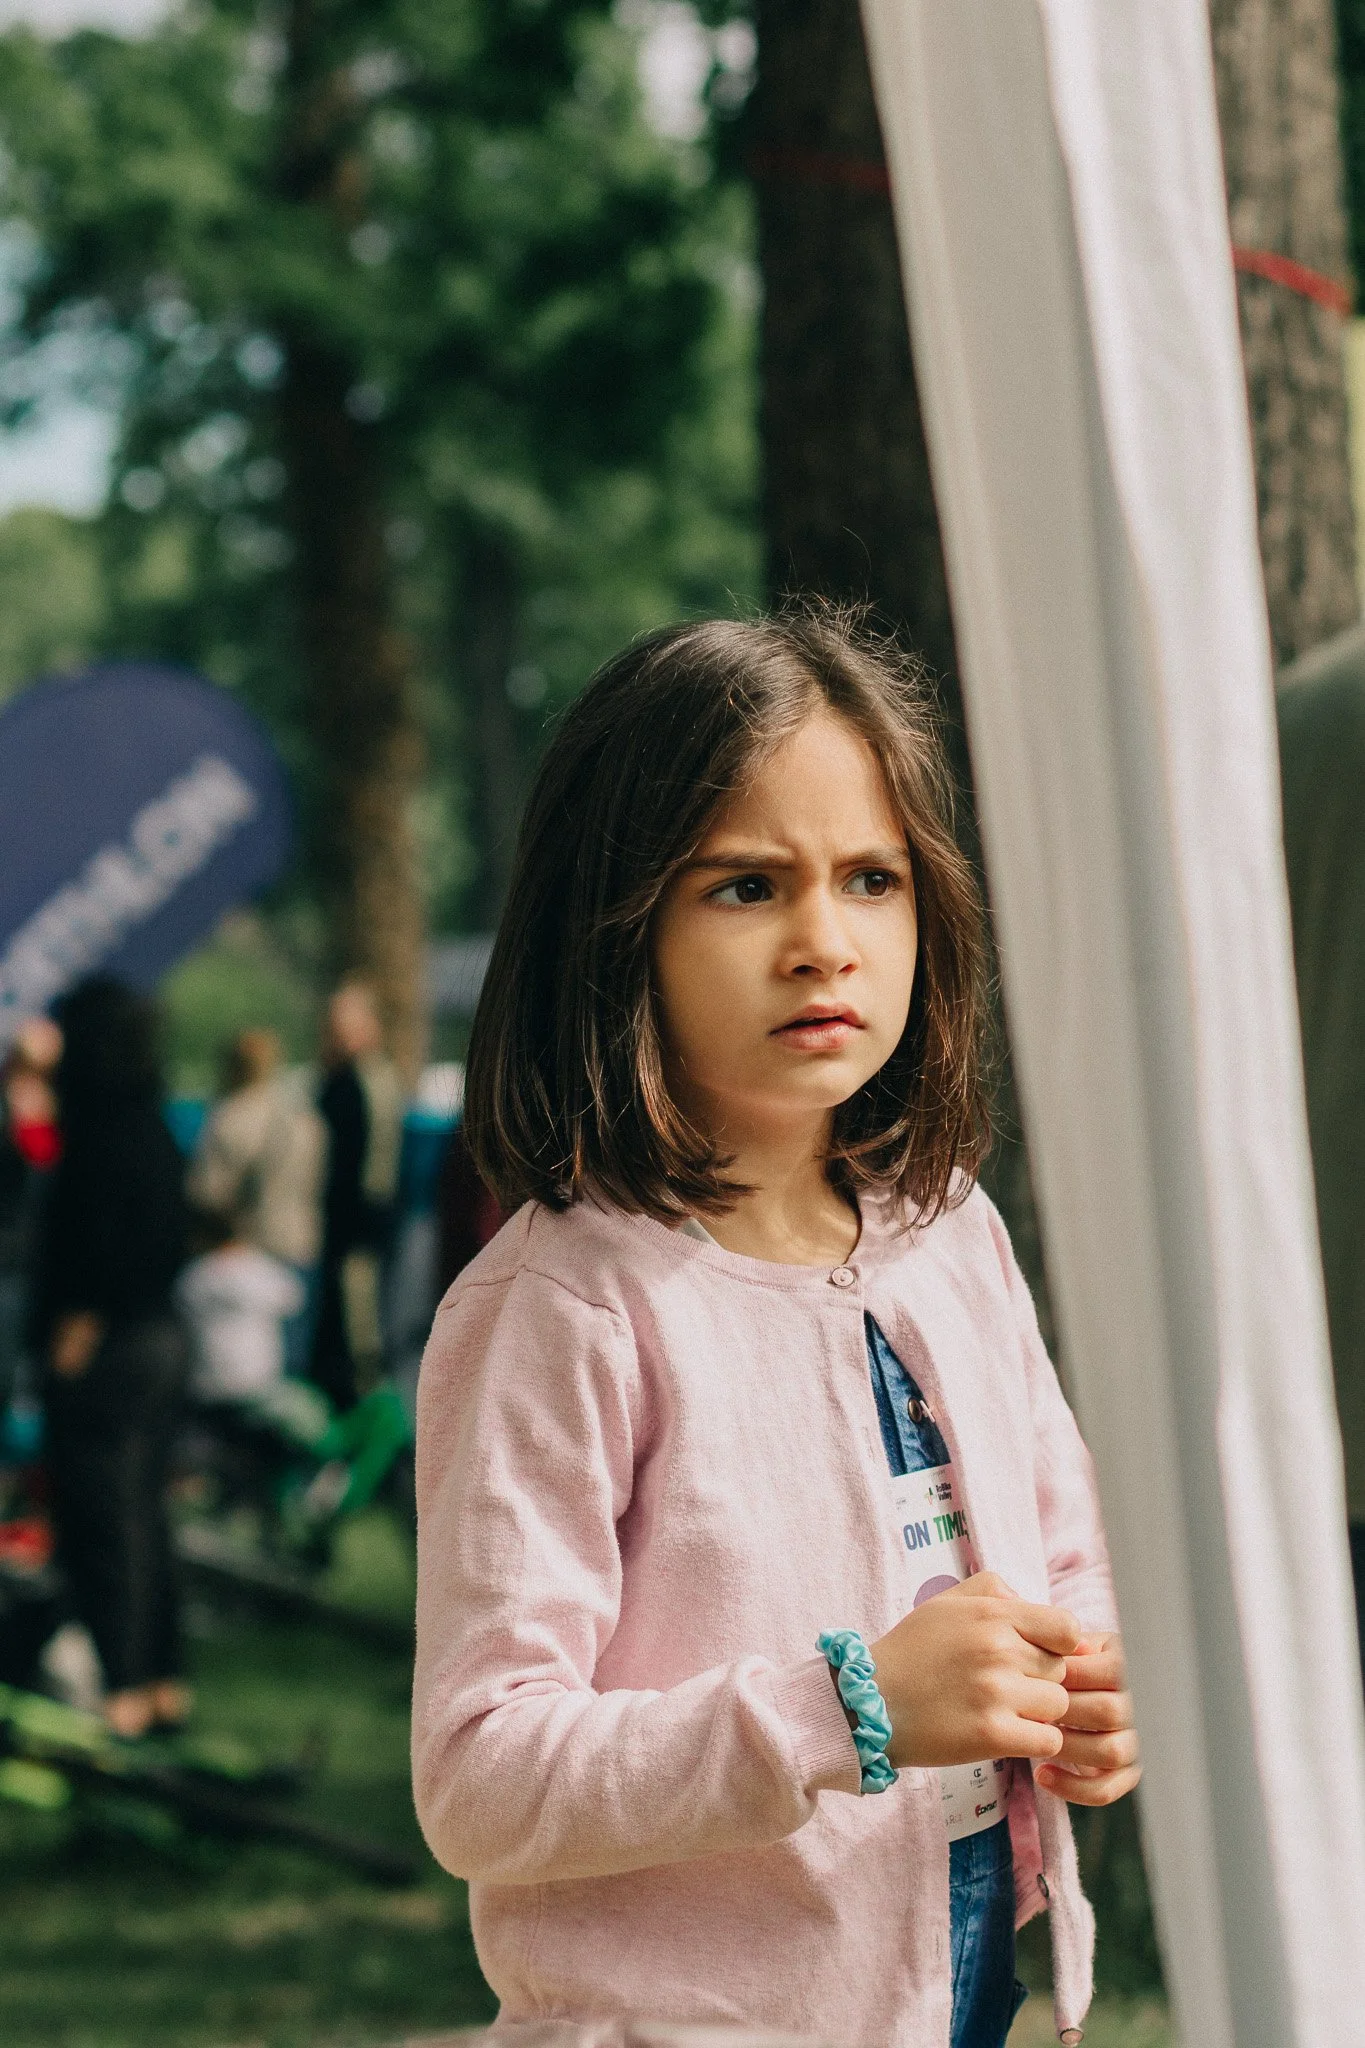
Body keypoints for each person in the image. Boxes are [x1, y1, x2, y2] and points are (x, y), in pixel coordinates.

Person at [412, 612, 1140, 2048]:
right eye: (747, 886)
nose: (824, 942)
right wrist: (850, 1708)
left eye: (870, 878)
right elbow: (479, 1777)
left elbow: (1062, 1547)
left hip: (965, 1994)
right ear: (614, 922)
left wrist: (1090, 1691)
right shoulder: (562, 1309)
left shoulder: (953, 1233)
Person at [29, 977, 190, 1740]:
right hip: (160, 1338)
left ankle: (122, 1692)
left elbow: (94, 1244)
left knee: (106, 1522)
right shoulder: (153, 1123)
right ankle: (160, 1684)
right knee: (145, 1518)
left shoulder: (97, 1132)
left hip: (111, 1348)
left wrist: (76, 1330)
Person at [186, 1027, 325, 1376]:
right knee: (293, 1370)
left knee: (250, 1376)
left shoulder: (230, 1117)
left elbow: (207, 1193)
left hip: (249, 1255)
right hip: (301, 1247)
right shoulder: (305, 1120)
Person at [310, 983, 404, 1410]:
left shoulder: (366, 1082)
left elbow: (374, 1176)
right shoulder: (344, 1079)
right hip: (343, 1232)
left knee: (357, 1338)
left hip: (356, 1235)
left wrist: (359, 1234)